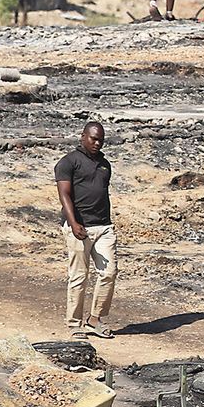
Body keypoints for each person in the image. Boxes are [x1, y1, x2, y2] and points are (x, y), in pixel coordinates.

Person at [55, 122, 116, 339]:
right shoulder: (68, 162)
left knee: (109, 273)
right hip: (79, 227)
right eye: (93, 139)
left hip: (104, 227)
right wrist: (73, 223)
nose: (97, 143)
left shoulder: (105, 164)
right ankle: (74, 324)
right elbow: (64, 194)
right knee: (79, 276)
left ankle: (95, 319)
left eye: (101, 139)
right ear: (83, 136)